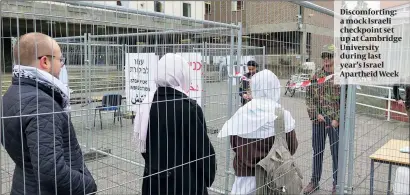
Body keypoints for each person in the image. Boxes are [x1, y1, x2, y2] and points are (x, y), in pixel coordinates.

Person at [1, 32, 97, 195]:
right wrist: (88, 186)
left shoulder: (11, 94)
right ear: (45, 61)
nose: (62, 65)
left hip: (24, 184)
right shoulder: (42, 105)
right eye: (60, 60)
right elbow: (52, 172)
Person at [134, 53, 217, 195]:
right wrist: (207, 177)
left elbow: (144, 147)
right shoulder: (188, 107)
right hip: (183, 183)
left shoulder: (146, 104)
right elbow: (202, 152)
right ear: (181, 73)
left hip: (153, 181)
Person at [218, 69, 298, 195]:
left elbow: (234, 145)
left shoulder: (242, 112)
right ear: (275, 87)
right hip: (275, 178)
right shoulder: (282, 115)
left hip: (244, 179)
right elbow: (292, 147)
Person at [304, 44, 341, 195]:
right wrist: (315, 115)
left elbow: (346, 100)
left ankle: (337, 184)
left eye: (330, 57)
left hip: (335, 122)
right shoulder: (316, 76)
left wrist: (337, 119)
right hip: (319, 121)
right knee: (317, 151)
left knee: (336, 153)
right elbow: (309, 97)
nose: (326, 60)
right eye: (324, 57)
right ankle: (314, 181)